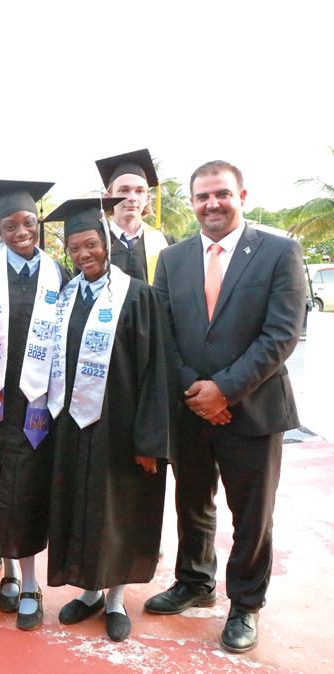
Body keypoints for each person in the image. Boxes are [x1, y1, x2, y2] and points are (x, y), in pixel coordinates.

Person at [145, 161, 305, 653]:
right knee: (192, 501)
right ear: (191, 202)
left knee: (252, 514)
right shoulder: (173, 259)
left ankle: (245, 604)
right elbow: (164, 332)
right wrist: (197, 389)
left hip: (254, 411)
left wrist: (226, 391)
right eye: (202, 196)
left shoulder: (279, 251)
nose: (212, 204)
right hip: (190, 408)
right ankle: (194, 581)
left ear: (242, 196)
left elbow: (281, 333)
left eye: (222, 194)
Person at [43, 198, 171, 642]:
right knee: (81, 506)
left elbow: (157, 372)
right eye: (75, 248)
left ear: (107, 244)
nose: (84, 255)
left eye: (92, 244)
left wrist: (150, 440)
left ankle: (115, 600)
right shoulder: (66, 297)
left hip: (120, 428)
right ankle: (90, 591)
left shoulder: (138, 295)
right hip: (75, 427)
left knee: (118, 511)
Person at [0, 180, 72, 629]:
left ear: (38, 224)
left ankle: (30, 583)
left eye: (28, 222)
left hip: (36, 402)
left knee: (26, 493)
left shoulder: (59, 274)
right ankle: (8, 576)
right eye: (9, 225)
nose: (20, 231)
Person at [95, 148, 175, 284]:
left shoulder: (166, 244)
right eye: (124, 190)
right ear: (108, 198)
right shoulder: (94, 244)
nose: (132, 198)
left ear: (148, 198)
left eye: (140, 191)